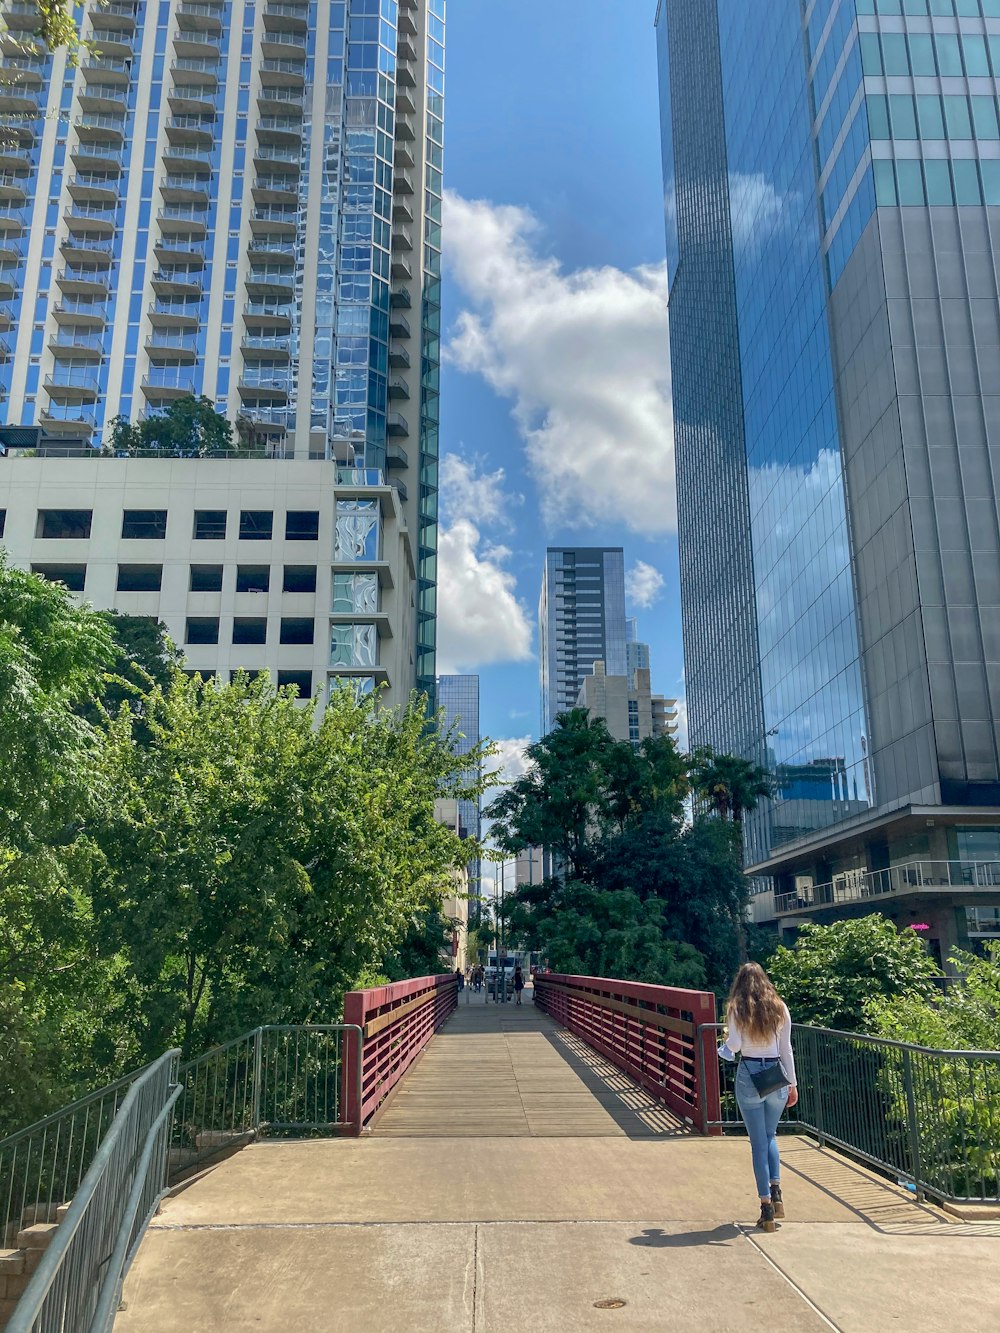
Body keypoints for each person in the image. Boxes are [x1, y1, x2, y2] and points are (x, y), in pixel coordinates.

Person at [720, 962, 798, 1233]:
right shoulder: (780, 1007)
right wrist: (793, 1084)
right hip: (776, 1073)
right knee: (770, 1135)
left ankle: (766, 1209)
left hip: (750, 1072)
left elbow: (736, 1046)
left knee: (757, 1144)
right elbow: (786, 1048)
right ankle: (776, 1193)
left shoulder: (737, 1008)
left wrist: (725, 1043)